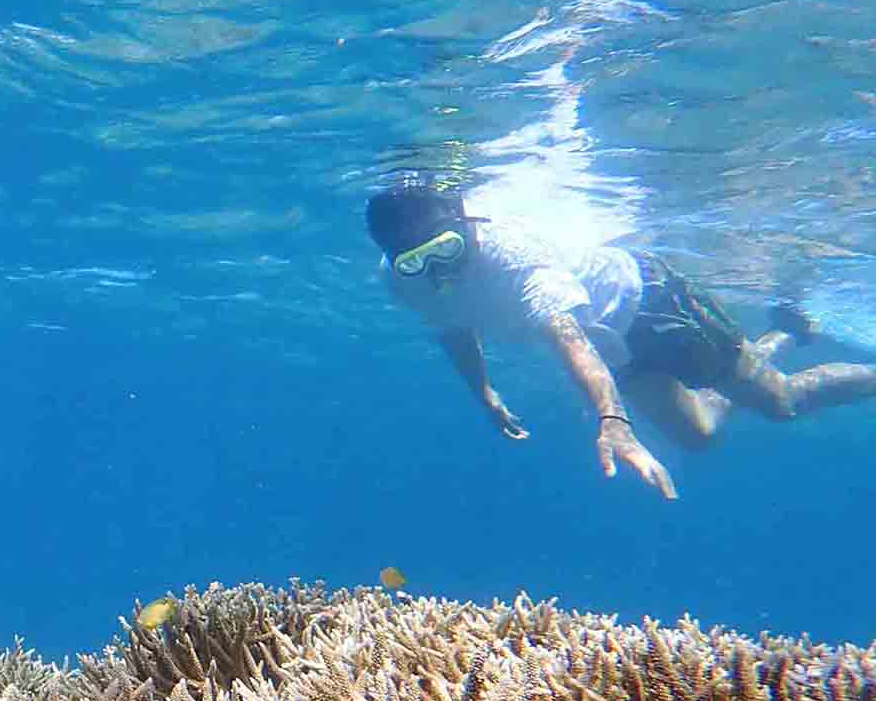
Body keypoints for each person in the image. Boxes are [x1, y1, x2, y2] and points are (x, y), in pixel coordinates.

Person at [364, 175, 876, 499]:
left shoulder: (514, 258)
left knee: (781, 402)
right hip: (615, 345)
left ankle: (769, 354)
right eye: (414, 261)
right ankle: (776, 336)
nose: (435, 270)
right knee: (697, 436)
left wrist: (613, 421)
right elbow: (453, 326)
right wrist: (484, 391)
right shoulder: (400, 279)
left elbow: (570, 340)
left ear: (463, 217)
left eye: (445, 248)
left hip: (653, 307)